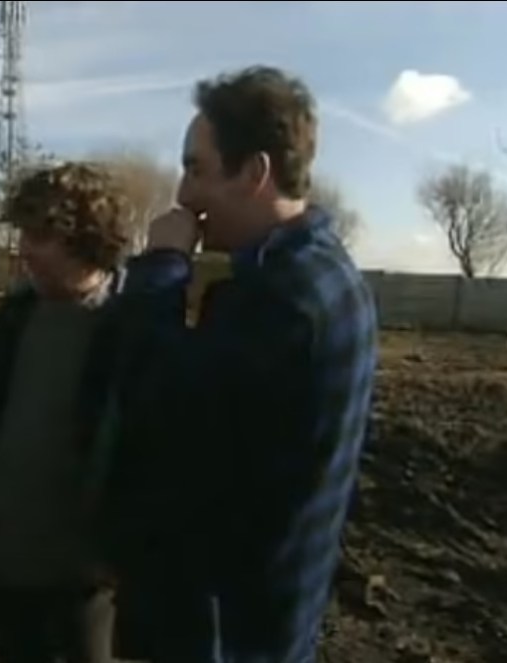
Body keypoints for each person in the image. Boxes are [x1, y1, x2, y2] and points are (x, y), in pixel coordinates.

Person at [105, 65, 379, 662]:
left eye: (196, 168)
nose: (183, 194)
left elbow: (155, 403)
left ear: (254, 172)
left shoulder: (284, 302)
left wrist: (160, 271)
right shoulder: (322, 273)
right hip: (266, 618)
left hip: (226, 633)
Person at [0, 162, 160, 663]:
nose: (24, 249)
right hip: (7, 549)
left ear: (87, 239)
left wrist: (121, 549)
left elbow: (148, 447)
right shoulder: (15, 316)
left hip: (84, 569)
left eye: (39, 235)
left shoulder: (130, 327)